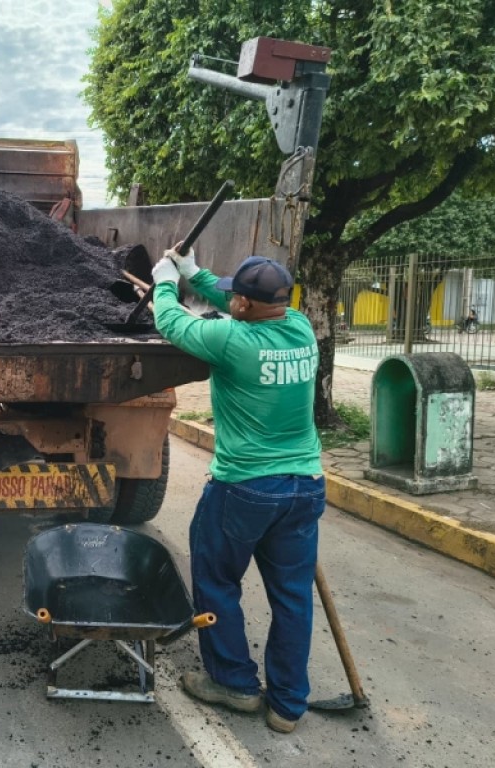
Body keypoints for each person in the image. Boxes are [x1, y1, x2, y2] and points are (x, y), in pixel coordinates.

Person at [150, 248, 325, 734]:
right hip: (305, 487)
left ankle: (234, 683)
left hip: (245, 488)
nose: (229, 300)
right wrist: (194, 273)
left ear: (244, 305)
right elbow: (233, 304)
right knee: (293, 597)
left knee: (217, 582)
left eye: (234, 297)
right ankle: (287, 705)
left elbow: (172, 323)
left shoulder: (230, 340)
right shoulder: (301, 328)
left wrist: (165, 283)